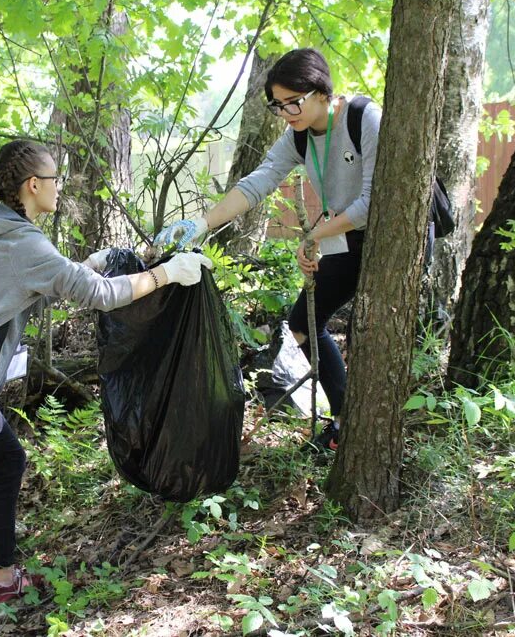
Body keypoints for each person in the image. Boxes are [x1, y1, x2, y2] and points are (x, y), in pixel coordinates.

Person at [0, 139, 213, 637]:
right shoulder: (23, 243)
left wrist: (83, 267)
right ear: (33, 186)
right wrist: (166, 274)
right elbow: (103, 298)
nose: (59, 186)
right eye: (54, 179)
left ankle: (4, 575)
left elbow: (24, 282)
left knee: (9, 460)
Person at [155, 47, 381, 453]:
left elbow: (372, 201)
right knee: (303, 324)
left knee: (377, 330)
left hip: (384, 235)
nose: (286, 112)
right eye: (278, 106)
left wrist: (313, 237)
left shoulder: (363, 117)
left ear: (320, 92)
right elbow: (257, 182)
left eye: (293, 102)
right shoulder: (298, 137)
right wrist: (202, 224)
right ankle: (346, 422)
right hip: (346, 235)